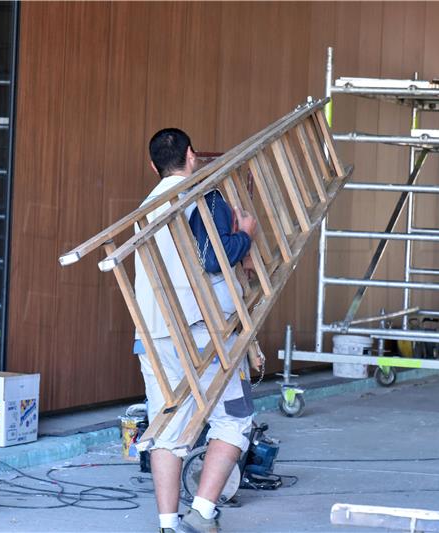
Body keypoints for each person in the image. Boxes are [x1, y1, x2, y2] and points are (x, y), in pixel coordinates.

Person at [133, 128, 258, 533]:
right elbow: (211, 257)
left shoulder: (144, 209)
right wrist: (246, 236)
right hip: (207, 331)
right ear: (191, 155)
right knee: (234, 420)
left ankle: (168, 524)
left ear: (153, 167)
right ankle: (202, 512)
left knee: (167, 429)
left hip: (155, 335)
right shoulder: (204, 195)